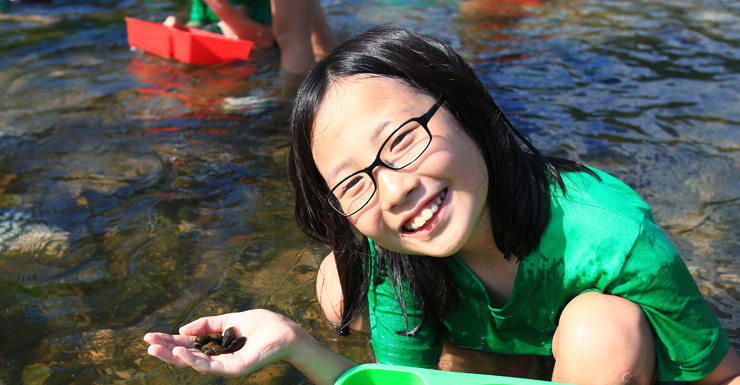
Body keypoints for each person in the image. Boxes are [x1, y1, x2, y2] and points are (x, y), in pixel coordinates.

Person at [144, 25, 740, 384]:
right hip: (508, 356)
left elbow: (724, 375)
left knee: (599, 330)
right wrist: (294, 344)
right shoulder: (390, 255)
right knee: (338, 281)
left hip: (605, 354)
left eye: (403, 140)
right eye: (354, 183)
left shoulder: (614, 239)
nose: (395, 188)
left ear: (467, 107)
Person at [162, 0, 337, 98]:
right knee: (313, 24)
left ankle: (294, 105)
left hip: (263, 57)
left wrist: (223, 10)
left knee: (292, 36)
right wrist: (179, 27)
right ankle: (336, 83)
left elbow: (264, 42)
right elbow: (198, 23)